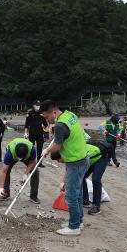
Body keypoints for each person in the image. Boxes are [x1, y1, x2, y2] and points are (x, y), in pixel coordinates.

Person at [41, 100, 89, 236]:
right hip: (83, 158)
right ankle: (78, 221)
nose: (47, 120)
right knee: (78, 193)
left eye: (47, 116)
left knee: (71, 196)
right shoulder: (70, 115)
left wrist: (46, 150)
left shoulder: (61, 125)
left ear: (54, 112)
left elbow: (57, 146)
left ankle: (74, 227)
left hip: (76, 162)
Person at [51, 142, 109, 216]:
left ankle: (96, 206)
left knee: (96, 179)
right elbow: (69, 171)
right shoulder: (68, 155)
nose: (59, 162)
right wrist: (63, 183)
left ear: (62, 155)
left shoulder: (73, 155)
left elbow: (70, 171)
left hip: (100, 157)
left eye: (58, 160)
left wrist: (66, 183)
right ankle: (85, 200)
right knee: (81, 177)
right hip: (89, 160)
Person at [0, 138, 40, 204]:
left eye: (21, 158)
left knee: (35, 172)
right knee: (7, 171)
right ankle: (5, 193)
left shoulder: (32, 149)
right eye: (19, 158)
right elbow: (3, 171)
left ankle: (33, 196)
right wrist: (1, 187)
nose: (20, 160)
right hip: (13, 156)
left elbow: (32, 162)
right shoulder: (9, 153)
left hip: (27, 157)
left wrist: (25, 174)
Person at [24, 100, 48, 167]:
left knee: (40, 148)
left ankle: (39, 162)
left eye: (39, 105)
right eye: (37, 105)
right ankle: (31, 162)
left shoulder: (42, 113)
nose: (38, 107)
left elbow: (45, 125)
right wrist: (25, 133)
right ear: (33, 105)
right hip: (32, 133)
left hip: (40, 133)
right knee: (31, 148)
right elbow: (26, 124)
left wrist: (46, 135)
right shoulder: (30, 113)